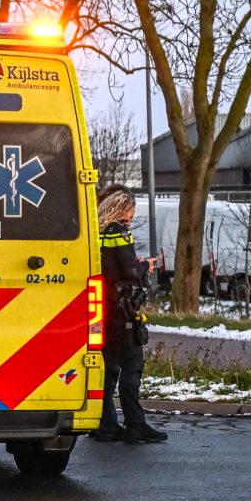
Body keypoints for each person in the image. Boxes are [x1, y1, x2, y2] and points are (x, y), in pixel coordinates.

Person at [95, 185, 166, 444]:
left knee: (109, 368)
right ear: (124, 208)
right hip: (123, 308)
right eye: (131, 212)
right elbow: (128, 270)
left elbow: (111, 266)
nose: (132, 218)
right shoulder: (120, 231)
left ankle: (105, 423)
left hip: (105, 308)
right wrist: (146, 265)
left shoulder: (99, 232)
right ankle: (136, 424)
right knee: (133, 364)